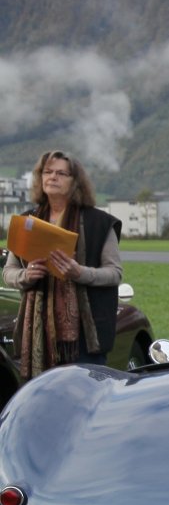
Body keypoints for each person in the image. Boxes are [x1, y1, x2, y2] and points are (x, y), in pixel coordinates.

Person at [3, 150, 123, 378]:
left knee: (83, 392)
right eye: (47, 172)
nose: (52, 177)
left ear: (75, 181)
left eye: (61, 173)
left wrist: (79, 272)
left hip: (85, 336)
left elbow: (114, 273)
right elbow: (9, 271)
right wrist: (26, 275)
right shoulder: (27, 221)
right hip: (37, 334)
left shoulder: (99, 222)